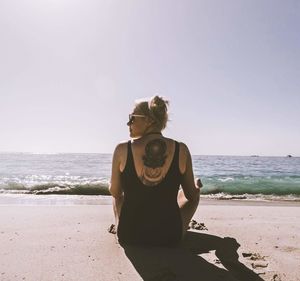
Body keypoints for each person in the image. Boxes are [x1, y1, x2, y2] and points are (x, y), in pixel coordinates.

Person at [109, 95, 201, 247]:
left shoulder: (121, 149)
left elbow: (115, 193)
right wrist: (196, 187)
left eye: (132, 117)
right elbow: (191, 196)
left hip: (130, 237)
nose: (128, 122)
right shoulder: (181, 149)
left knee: (117, 193)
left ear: (149, 120)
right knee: (193, 190)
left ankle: (122, 226)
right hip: (170, 237)